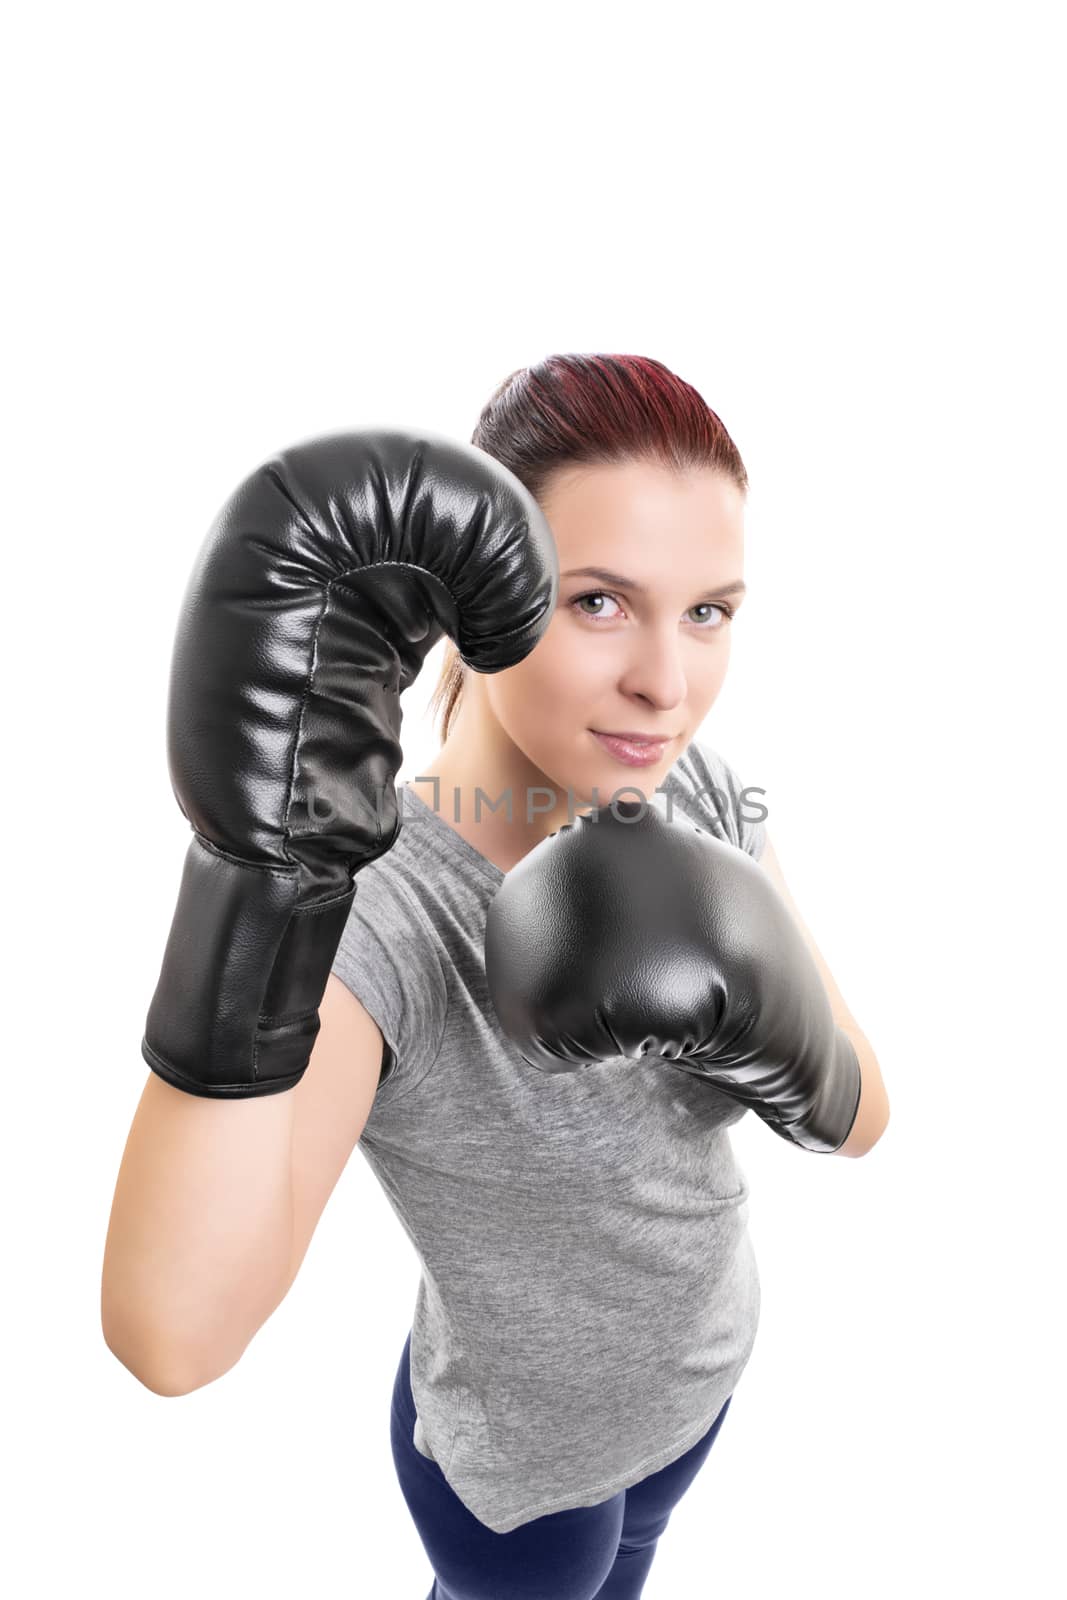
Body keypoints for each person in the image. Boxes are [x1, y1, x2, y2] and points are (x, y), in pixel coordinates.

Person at [103, 353, 890, 1600]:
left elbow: (859, 1120)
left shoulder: (695, 788)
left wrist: (785, 1034)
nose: (664, 684)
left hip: (700, 1385)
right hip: (521, 1478)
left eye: (706, 611)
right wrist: (261, 883)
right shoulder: (378, 915)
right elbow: (171, 1334)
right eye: (596, 601)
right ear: (486, 593)